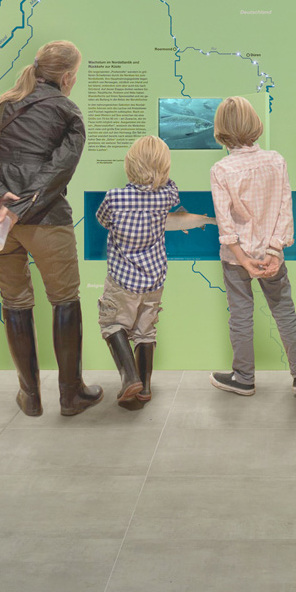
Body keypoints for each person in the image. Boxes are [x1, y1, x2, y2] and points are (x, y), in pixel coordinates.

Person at [0, 40, 100, 417]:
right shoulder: (68, 111)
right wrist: (26, 205)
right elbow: (60, 171)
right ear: (68, 76)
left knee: (16, 302)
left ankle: (30, 396)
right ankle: (71, 395)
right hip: (46, 221)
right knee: (65, 300)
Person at [207, 96, 296, 397]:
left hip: (236, 259)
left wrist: (243, 259)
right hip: (271, 256)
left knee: (240, 315)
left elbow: (226, 226)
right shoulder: (276, 160)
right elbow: (284, 210)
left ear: (221, 129)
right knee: (284, 311)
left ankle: (243, 378)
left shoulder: (221, 170)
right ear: (255, 124)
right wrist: (274, 251)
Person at [95, 136, 179, 410]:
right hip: (154, 279)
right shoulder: (166, 196)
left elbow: (102, 220)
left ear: (129, 165)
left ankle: (129, 377)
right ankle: (144, 388)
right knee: (145, 331)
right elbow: (173, 190)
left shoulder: (115, 197)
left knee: (112, 324)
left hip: (122, 281)